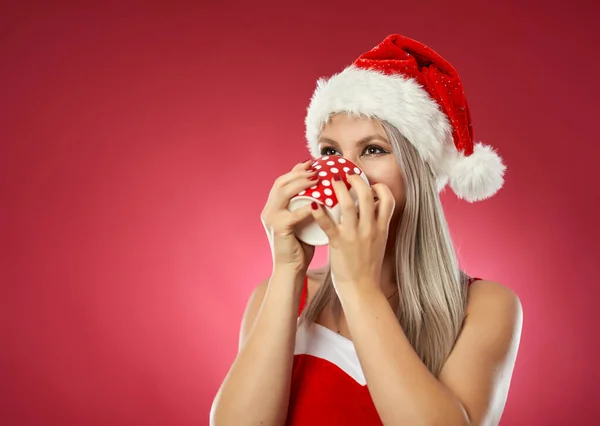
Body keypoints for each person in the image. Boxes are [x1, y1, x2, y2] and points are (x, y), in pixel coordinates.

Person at [210, 34, 523, 426]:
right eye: (329, 152)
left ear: (419, 172)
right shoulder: (278, 295)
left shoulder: (486, 307)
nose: (344, 171)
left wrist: (358, 286)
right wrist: (287, 272)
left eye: (373, 149)